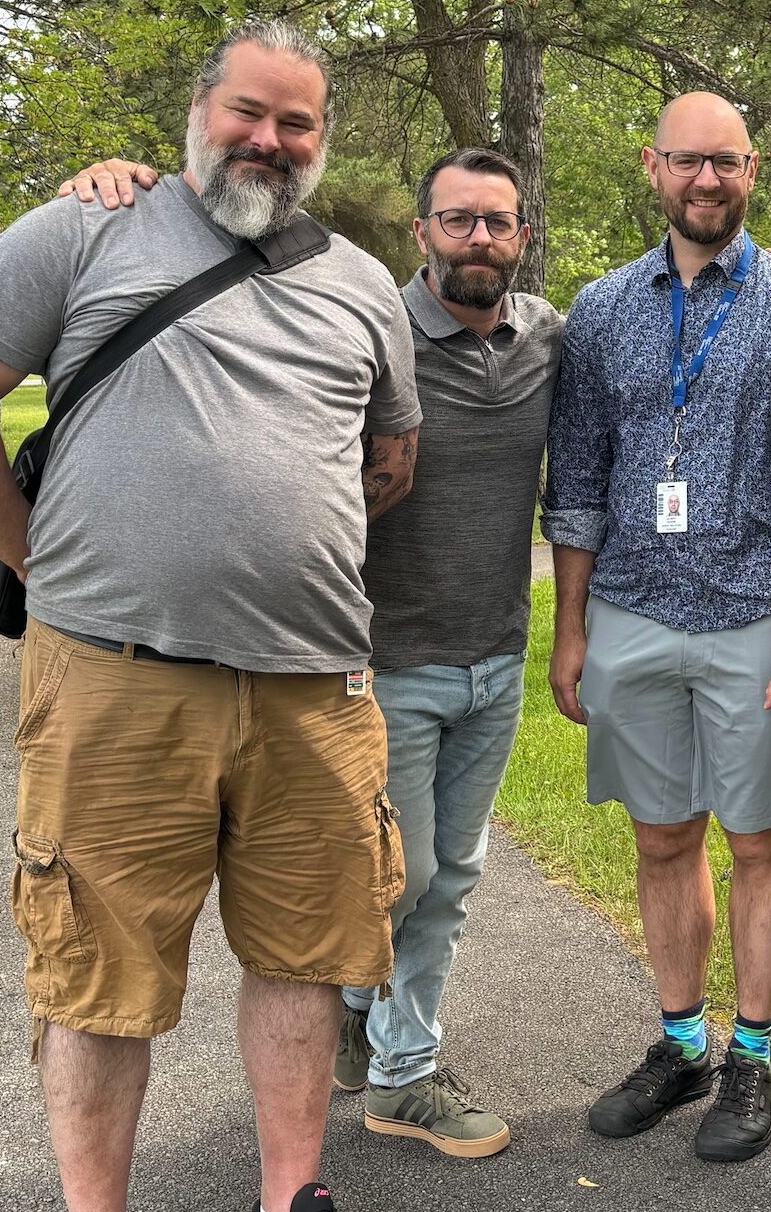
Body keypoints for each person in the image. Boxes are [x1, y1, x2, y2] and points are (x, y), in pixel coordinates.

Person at [0, 20, 420, 1212]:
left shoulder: (367, 283)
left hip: (315, 689)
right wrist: (39, 561)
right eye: (249, 112)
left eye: (297, 124)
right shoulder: (88, 234)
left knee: (308, 956)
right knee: (98, 973)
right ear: (199, 108)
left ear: (324, 138)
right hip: (113, 685)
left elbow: (389, 454)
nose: (270, 141)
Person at [55, 144, 565, 1160]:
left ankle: (386, 1050)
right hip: (374, 657)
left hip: (494, 656)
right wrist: (123, 181)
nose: (477, 238)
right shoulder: (363, 319)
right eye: (456, 219)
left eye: (496, 222)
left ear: (521, 236)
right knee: (401, 876)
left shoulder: (550, 337)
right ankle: (391, 1054)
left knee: (447, 874)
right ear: (421, 231)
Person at [544, 92, 771, 1164]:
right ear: (654, 168)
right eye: (689, 163)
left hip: (756, 616)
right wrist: (572, 627)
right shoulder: (600, 311)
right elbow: (578, 480)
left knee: (758, 841)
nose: (707, 181)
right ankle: (683, 1041)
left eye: (726, 163)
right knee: (660, 834)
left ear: (752, 170)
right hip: (634, 609)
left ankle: (754, 1055)